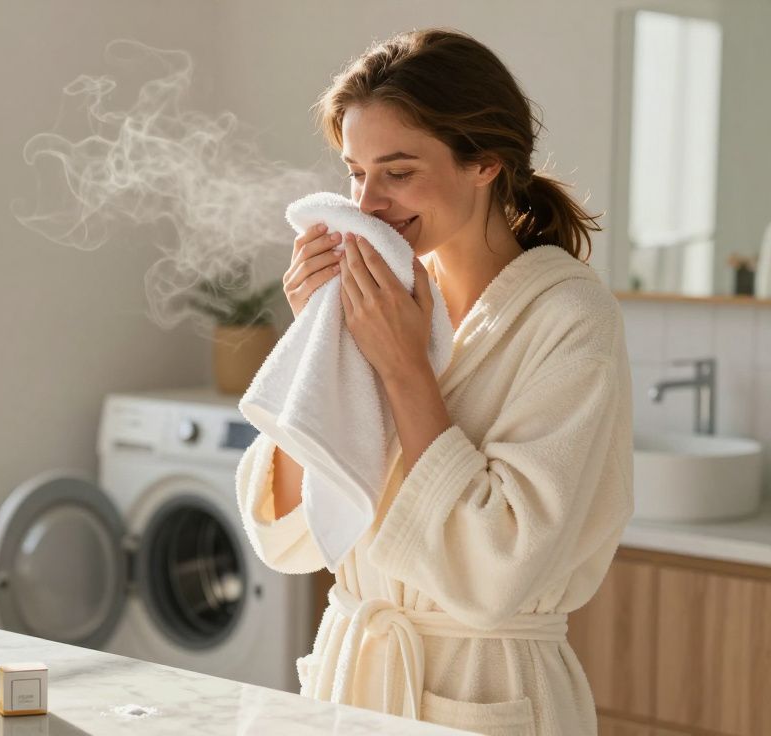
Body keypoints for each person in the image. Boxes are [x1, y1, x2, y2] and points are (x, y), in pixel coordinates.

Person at [236, 28, 633, 735]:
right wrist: (316, 343)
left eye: (397, 171)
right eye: (354, 172)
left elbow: (499, 565)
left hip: (485, 692)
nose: (367, 202)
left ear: (484, 163)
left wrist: (403, 366)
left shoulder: (569, 316)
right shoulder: (386, 300)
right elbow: (288, 538)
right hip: (350, 678)